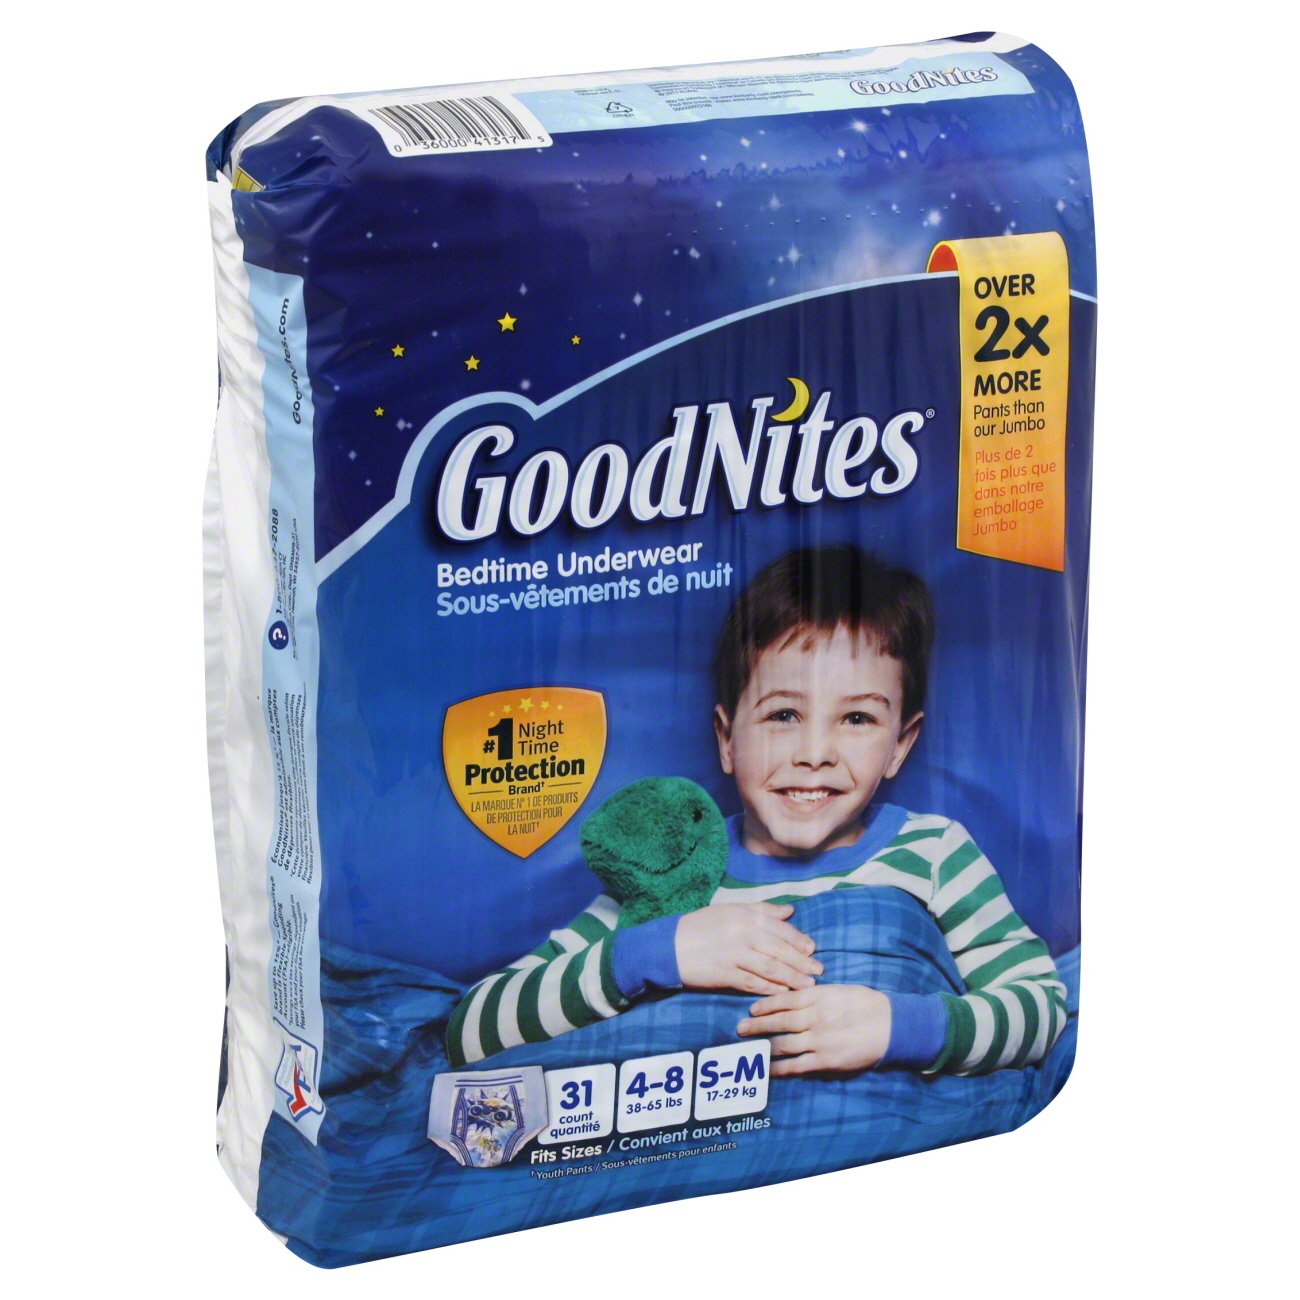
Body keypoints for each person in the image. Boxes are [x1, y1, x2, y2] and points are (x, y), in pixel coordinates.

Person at [446, 546, 1066, 1077]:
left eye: (856, 718)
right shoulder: (673, 871)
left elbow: (1041, 1010)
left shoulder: (934, 852)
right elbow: (471, 1029)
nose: (815, 753)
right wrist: (655, 953)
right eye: (783, 715)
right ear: (726, 739)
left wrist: (901, 1027)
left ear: (900, 745)